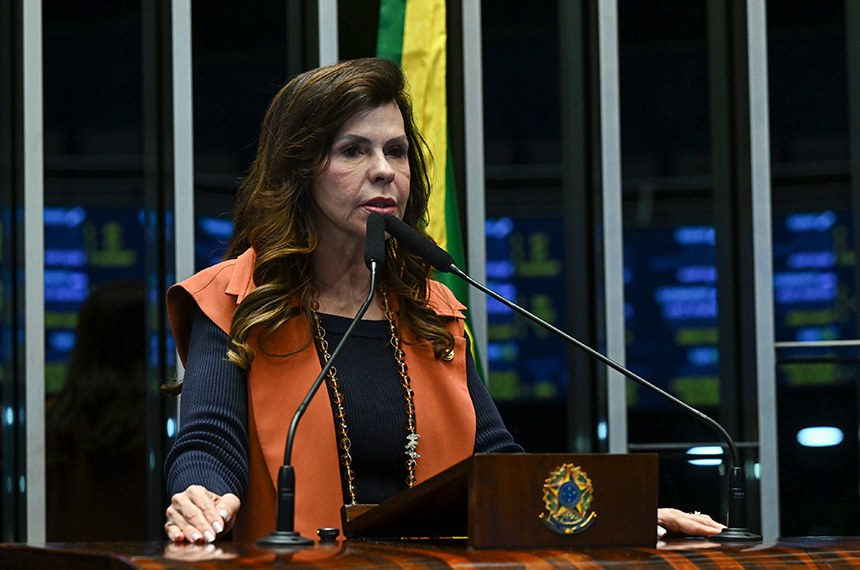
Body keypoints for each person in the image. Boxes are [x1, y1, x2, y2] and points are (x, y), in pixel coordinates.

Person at [163, 57, 724, 544]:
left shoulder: (433, 309)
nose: (383, 170)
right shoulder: (236, 299)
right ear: (300, 171)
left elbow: (497, 465)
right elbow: (211, 440)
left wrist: (614, 517)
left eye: (397, 151)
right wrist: (201, 498)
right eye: (353, 151)